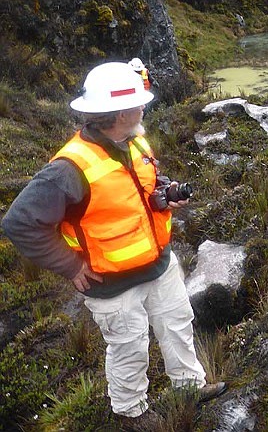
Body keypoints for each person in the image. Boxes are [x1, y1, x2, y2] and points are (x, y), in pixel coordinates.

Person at [1, 62, 225, 431]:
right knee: (129, 349)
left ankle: (190, 387)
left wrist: (163, 195)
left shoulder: (134, 138)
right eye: (139, 104)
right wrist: (71, 266)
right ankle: (131, 412)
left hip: (158, 264)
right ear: (121, 112)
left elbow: (143, 184)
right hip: (112, 283)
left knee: (178, 325)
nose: (144, 108)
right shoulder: (69, 169)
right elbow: (19, 223)